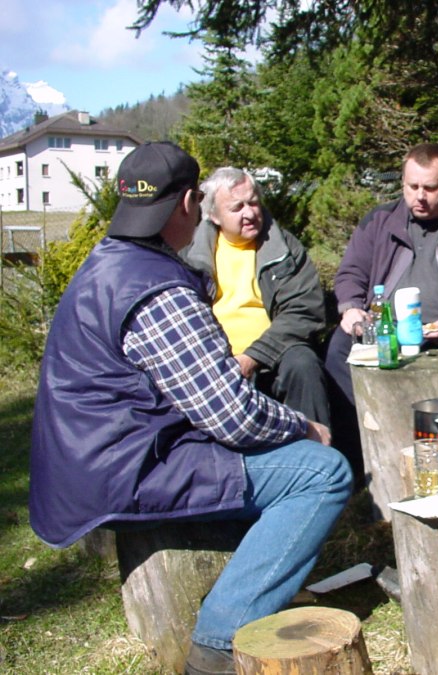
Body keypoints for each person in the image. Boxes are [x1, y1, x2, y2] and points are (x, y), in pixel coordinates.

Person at [28, 142, 353, 675]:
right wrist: (304, 426)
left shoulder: (110, 261)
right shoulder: (159, 289)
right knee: (323, 472)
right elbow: (231, 415)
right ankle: (219, 643)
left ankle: (256, 576)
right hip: (124, 470)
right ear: (188, 203)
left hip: (91, 459)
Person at [324, 142, 438, 469]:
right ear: (402, 183)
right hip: (384, 328)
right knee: (337, 350)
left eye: (430, 188)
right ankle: (354, 458)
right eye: (412, 186)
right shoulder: (380, 221)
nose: (420, 196)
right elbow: (351, 273)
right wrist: (351, 308)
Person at [182, 167, 330, 426]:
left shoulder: (284, 247)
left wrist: (253, 357)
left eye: (253, 203)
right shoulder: (189, 253)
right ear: (214, 216)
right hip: (212, 356)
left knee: (304, 364)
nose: (249, 213)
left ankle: (317, 443)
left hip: (276, 353)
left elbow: (304, 310)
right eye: (237, 207)